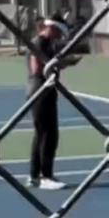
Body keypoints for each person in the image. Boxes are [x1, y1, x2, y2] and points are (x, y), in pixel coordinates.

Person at [27, 14, 81, 190]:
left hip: (44, 89)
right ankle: (45, 176)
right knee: (48, 135)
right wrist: (62, 62)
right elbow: (38, 68)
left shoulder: (46, 43)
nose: (59, 36)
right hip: (40, 89)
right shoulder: (39, 42)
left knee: (42, 133)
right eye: (58, 32)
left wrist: (64, 63)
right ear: (51, 28)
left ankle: (35, 175)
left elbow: (50, 64)